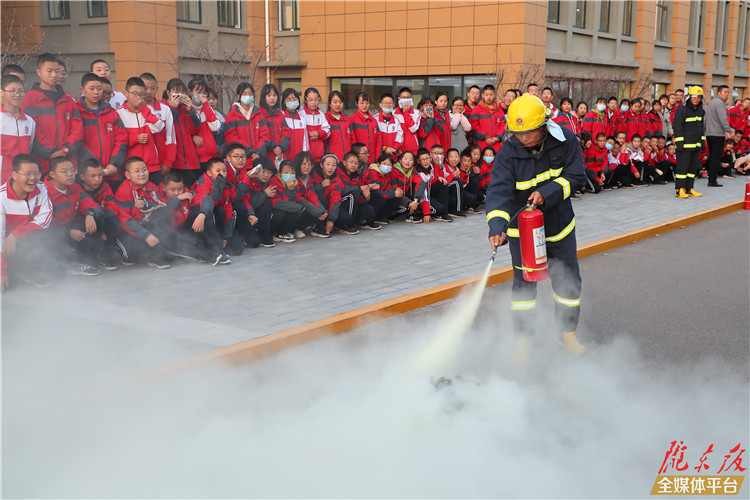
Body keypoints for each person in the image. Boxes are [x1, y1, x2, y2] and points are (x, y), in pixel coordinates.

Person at [485, 94, 587, 364]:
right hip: (523, 235)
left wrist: (548, 192)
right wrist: (497, 225)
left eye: (529, 132)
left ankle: (566, 334)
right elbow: (498, 192)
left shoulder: (566, 140)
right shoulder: (508, 153)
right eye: (518, 133)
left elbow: (576, 177)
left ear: (543, 125)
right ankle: (523, 341)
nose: (524, 138)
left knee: (568, 282)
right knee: (524, 291)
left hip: (560, 228)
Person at [22, 53, 82, 173]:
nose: (54, 75)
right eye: (49, 71)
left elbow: (78, 131)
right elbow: (33, 133)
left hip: (69, 163)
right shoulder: (29, 99)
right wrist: (52, 153)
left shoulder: (69, 100)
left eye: (57, 71)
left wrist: (65, 150)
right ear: (39, 72)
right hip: (43, 165)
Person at [1, 154, 54, 291]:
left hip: (22, 240)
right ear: (14, 175)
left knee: (45, 235)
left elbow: (44, 220)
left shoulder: (42, 188)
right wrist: (2, 272)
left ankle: (34, 270)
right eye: (27, 174)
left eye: (37, 173)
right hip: (4, 247)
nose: (33, 178)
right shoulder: (1, 197)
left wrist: (16, 234)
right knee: (8, 285)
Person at [42, 156, 102, 276]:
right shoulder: (44, 192)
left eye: (72, 170)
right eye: (64, 172)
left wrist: (90, 214)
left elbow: (92, 205)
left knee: (99, 218)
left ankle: (82, 260)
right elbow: (43, 226)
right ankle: (64, 263)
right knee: (49, 239)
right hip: (53, 235)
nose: (70, 174)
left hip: (71, 228)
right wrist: (67, 232)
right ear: (52, 174)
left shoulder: (74, 187)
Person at [114, 156, 170, 268]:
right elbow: (125, 220)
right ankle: (124, 249)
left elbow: (162, 205)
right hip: (128, 229)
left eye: (144, 170)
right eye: (137, 171)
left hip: (146, 224)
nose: (142, 174)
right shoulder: (123, 191)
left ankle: (155, 257)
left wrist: (147, 204)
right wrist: (146, 236)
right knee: (132, 257)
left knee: (164, 215)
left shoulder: (151, 187)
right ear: (128, 175)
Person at [77, 73, 127, 186]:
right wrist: (95, 167)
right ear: (82, 90)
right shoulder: (77, 112)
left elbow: (121, 140)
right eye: (92, 88)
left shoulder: (112, 113)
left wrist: (114, 163)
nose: (96, 92)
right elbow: (77, 141)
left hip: (111, 173)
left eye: (99, 89)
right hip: (88, 174)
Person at [189, 157, 241, 260]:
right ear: (209, 173)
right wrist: (219, 185)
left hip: (219, 223)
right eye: (218, 171)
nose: (222, 173)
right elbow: (210, 201)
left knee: (237, 249)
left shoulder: (224, 185)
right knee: (218, 211)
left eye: (224, 170)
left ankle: (220, 242)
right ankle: (213, 247)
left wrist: (225, 237)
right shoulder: (202, 184)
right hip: (202, 220)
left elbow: (229, 210)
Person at [77, 158, 122, 269]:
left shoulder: (105, 187)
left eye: (100, 175)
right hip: (84, 222)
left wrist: (99, 223)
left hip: (100, 220)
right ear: (82, 177)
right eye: (92, 176)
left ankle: (106, 254)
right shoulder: (78, 189)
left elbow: (113, 208)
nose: (97, 179)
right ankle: (87, 257)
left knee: (114, 222)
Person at [162, 78, 202, 187]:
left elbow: (195, 129)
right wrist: (172, 109)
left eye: (182, 92)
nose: (180, 94)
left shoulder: (185, 109)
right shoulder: (163, 108)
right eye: (176, 91)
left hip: (189, 161)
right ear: (168, 93)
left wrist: (190, 110)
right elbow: (164, 129)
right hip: (173, 161)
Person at [140, 72, 176, 183]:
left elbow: (171, 138)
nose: (149, 92)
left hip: (161, 163)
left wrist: (168, 162)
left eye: (153, 88)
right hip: (141, 163)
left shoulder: (165, 110)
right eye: (145, 88)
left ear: (157, 88)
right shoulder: (135, 109)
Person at [1, 74, 35, 183]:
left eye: (21, 91)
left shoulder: (30, 122)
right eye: (12, 91)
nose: (17, 94)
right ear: (1, 92)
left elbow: (29, 148)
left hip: (23, 178)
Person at [673, 86, 706, 198]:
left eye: (699, 97)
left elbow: (701, 129)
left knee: (692, 169)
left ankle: (689, 188)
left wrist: (702, 143)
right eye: (694, 97)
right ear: (689, 97)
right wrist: (680, 144)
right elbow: (678, 128)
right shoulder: (682, 111)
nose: (696, 99)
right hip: (685, 146)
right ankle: (680, 189)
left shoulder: (701, 111)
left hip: (695, 145)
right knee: (682, 168)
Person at [224, 82, 266, 159]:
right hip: (240, 159)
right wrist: (250, 152)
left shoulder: (259, 114)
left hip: (258, 158)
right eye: (244, 94)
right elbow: (231, 138)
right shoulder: (232, 115)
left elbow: (265, 135)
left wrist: (258, 152)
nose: (248, 96)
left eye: (250, 94)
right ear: (238, 95)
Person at [187, 78, 221, 168]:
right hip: (195, 159)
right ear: (190, 92)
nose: (200, 95)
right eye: (197, 91)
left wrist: (206, 105)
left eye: (203, 92)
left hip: (211, 158)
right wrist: (192, 137)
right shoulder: (186, 110)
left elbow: (216, 127)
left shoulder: (207, 109)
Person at [704, 84, 734, 188]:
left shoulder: (711, 103)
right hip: (717, 134)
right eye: (724, 92)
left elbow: (705, 118)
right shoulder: (720, 104)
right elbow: (723, 119)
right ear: (719, 93)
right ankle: (712, 180)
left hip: (709, 134)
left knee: (712, 157)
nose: (726, 94)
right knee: (715, 158)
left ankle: (711, 178)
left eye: (728, 92)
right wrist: (729, 130)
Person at [257, 83, 287, 165]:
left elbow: (286, 133)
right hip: (265, 155)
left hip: (279, 156)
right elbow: (261, 135)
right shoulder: (258, 114)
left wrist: (280, 147)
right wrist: (273, 147)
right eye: (269, 95)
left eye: (274, 95)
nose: (272, 98)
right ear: (264, 97)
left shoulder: (280, 115)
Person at [470, 84, 505, 153]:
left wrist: (497, 138)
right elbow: (474, 126)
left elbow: (503, 125)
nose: (489, 97)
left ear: (494, 95)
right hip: (481, 147)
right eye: (486, 95)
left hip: (497, 147)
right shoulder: (477, 109)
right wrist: (485, 138)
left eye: (491, 95)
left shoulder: (499, 110)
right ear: (482, 95)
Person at [349, 92, 381, 165]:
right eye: (362, 103)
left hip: (373, 160)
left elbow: (378, 142)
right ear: (356, 103)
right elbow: (352, 141)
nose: (365, 106)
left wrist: (377, 158)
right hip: (358, 161)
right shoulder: (351, 120)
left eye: (367, 103)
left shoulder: (374, 121)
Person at [299, 87, 330, 163]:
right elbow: (298, 132)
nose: (314, 102)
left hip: (319, 156)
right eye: (311, 100)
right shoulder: (300, 113)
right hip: (305, 156)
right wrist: (308, 133)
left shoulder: (321, 114)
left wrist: (318, 134)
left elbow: (327, 130)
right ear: (306, 100)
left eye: (316, 100)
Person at [280, 88, 308, 161]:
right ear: (284, 102)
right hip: (285, 157)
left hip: (299, 158)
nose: (292, 101)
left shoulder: (302, 119)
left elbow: (305, 142)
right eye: (289, 99)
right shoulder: (281, 117)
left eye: (295, 99)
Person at [324, 90, 352, 162]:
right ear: (330, 103)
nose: (338, 104)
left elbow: (352, 139)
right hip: (331, 161)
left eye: (340, 102)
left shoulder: (347, 120)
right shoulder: (324, 120)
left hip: (347, 161)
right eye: (335, 102)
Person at [375, 93, 403, 160]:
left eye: (390, 103)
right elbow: (374, 138)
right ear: (380, 105)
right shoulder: (374, 119)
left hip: (393, 156)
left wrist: (395, 148)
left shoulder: (396, 120)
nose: (388, 105)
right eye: (385, 103)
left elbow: (400, 137)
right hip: (379, 156)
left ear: (393, 105)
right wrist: (384, 148)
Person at [394, 87, 420, 155]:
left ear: (411, 98)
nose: (406, 100)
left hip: (413, 150)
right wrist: (397, 148)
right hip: (398, 150)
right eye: (403, 98)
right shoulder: (393, 113)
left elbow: (413, 129)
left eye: (408, 97)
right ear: (399, 99)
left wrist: (405, 113)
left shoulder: (416, 113)